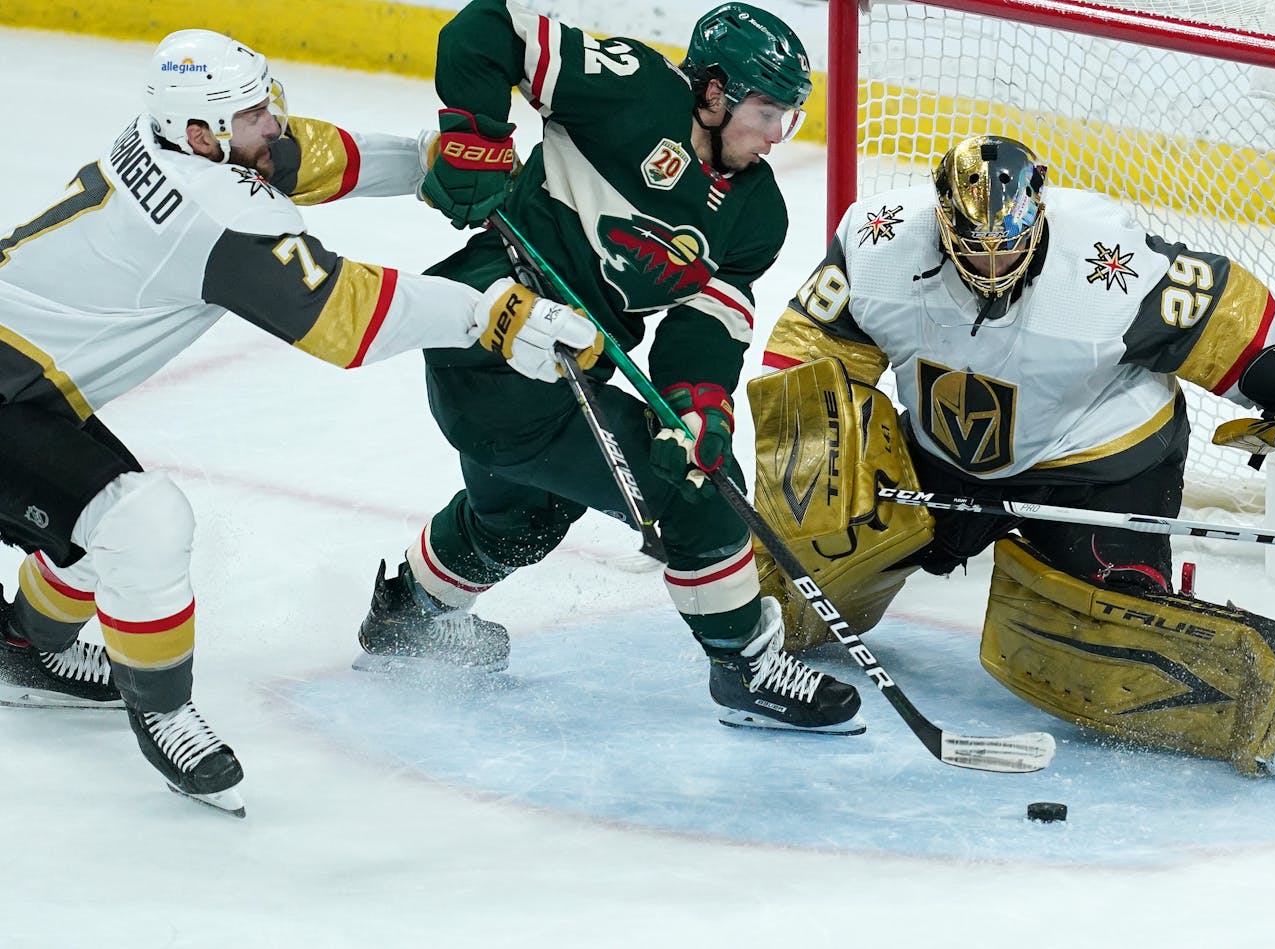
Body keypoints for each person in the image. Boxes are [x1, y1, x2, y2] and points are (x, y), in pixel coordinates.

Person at [0, 28, 597, 815]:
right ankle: (165, 711)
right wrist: (490, 314)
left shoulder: (176, 144)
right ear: (203, 136)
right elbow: (347, 318)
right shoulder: (207, 210)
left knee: (95, 518)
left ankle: (21, 646)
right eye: (251, 116)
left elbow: (293, 158)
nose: (272, 122)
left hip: (23, 389)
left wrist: (425, 161)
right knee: (140, 521)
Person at [750, 133, 1275, 778]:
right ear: (942, 220)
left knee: (1103, 639)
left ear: (1038, 212)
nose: (990, 264)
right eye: (973, 247)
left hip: (1098, 461)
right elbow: (807, 357)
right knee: (804, 551)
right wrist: (811, 468)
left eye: (1006, 244)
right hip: (945, 456)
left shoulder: (1102, 257)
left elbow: (1217, 313)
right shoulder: (880, 240)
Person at [355, 0, 865, 735]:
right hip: (489, 333)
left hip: (560, 370)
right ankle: (747, 667)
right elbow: (485, 30)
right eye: (765, 111)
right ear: (713, 92)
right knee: (700, 494)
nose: (775, 135)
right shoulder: (632, 89)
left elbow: (707, 321)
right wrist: (476, 136)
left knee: (525, 515)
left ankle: (406, 615)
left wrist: (698, 402)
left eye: (788, 116)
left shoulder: (756, 213)